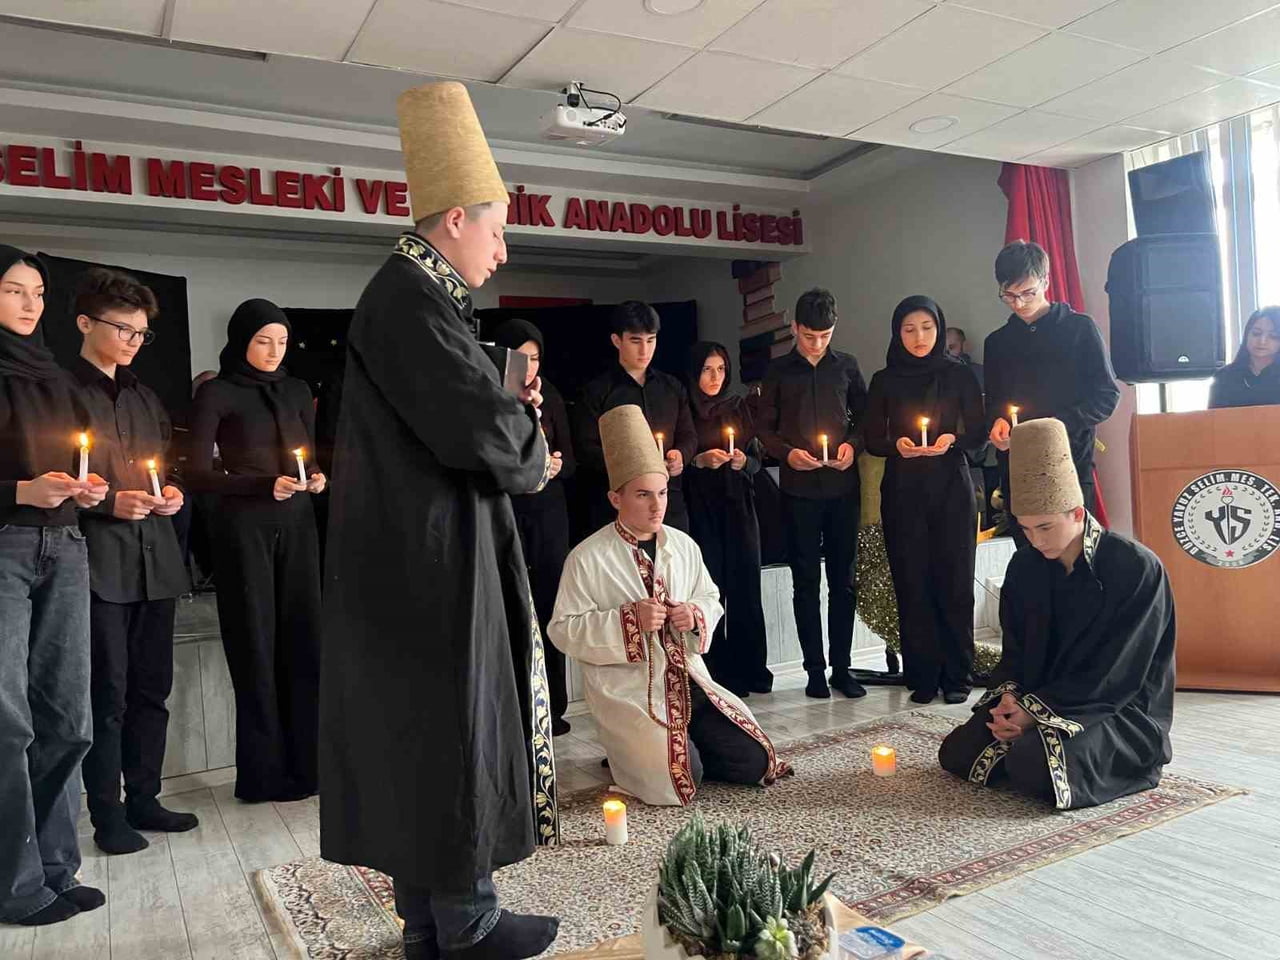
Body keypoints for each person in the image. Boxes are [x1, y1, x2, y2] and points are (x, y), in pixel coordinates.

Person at [319, 82, 559, 960]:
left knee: (424, 740)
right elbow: (480, 431)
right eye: (496, 228)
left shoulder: (409, 298)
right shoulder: (412, 301)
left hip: (413, 555)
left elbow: (458, 408)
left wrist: (502, 395)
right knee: (455, 732)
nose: (502, 248)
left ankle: (430, 921)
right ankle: (469, 922)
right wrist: (528, 439)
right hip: (430, 562)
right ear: (454, 220)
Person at [549, 404, 791, 806]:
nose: (656, 505)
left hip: (689, 681)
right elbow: (563, 630)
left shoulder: (683, 544)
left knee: (754, 762)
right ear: (616, 497)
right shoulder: (586, 557)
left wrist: (692, 614)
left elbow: (709, 597)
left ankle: (683, 740)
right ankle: (647, 749)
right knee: (683, 781)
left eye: (661, 493)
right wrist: (629, 620)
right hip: (631, 691)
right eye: (643, 494)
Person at [939, 418, 1175, 809]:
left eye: (1046, 527)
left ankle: (1126, 764)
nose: (1036, 540)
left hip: (1115, 709)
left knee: (1033, 762)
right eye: (1026, 529)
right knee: (958, 753)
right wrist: (1011, 703)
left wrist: (1034, 714)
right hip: (1043, 699)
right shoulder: (1026, 565)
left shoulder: (1135, 568)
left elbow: (1119, 673)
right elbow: (1014, 652)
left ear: (1078, 514)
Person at [70, 268, 198, 855]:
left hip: (157, 563)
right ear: (85, 323)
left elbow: (165, 466)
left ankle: (145, 797)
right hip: (97, 567)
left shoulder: (146, 398)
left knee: (153, 689)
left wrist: (170, 492)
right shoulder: (61, 392)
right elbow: (54, 483)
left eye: (140, 333)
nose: (130, 340)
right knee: (108, 695)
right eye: (122, 328)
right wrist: (108, 504)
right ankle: (106, 813)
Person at [0, 246, 109, 926]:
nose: (31, 303)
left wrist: (85, 488)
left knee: (69, 717)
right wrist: (21, 490)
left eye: (38, 292)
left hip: (65, 544)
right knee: (9, 724)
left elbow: (76, 456)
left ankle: (55, 868)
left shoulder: (56, 375)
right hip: (4, 545)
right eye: (14, 290)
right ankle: (16, 885)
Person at [187, 298, 325, 804]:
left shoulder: (296, 389)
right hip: (243, 533)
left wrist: (316, 478)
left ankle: (309, 766)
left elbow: (311, 454)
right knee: (255, 646)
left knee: (305, 642)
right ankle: (264, 774)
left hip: (299, 528)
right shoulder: (217, 394)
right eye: (262, 340)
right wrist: (265, 484)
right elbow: (198, 475)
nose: (272, 351)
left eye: (282, 341)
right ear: (241, 340)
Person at [864, 296, 984, 705]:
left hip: (951, 485)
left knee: (954, 581)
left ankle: (957, 674)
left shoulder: (959, 375)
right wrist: (896, 444)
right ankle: (922, 674)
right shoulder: (885, 379)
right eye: (909, 329)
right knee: (912, 582)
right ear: (898, 333)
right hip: (903, 490)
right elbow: (871, 438)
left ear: (940, 329)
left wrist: (954, 440)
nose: (919, 337)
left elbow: (979, 434)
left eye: (927, 328)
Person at [751, 288, 868, 700]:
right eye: (809, 336)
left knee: (844, 581)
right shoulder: (778, 371)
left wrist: (852, 445)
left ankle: (842, 667)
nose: (817, 343)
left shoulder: (847, 367)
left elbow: (865, 418)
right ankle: (813, 669)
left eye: (825, 335)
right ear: (796, 328)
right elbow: (764, 428)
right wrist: (787, 454)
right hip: (798, 489)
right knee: (805, 583)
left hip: (842, 488)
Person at [984, 241, 1119, 525]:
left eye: (1027, 293)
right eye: (1008, 295)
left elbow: (1106, 395)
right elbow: (994, 401)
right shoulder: (997, 342)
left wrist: (1056, 425)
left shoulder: (1079, 328)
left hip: (1069, 461)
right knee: (1028, 554)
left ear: (1045, 281)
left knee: (1076, 554)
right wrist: (996, 424)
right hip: (1018, 466)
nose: (1018, 303)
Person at [493, 318, 576, 737]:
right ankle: (515, 706)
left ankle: (554, 705)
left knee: (550, 606)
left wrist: (555, 466)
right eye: (520, 357)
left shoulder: (551, 397)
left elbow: (571, 459)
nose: (529, 366)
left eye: (536, 357)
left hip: (548, 511)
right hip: (509, 511)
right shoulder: (492, 401)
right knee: (511, 607)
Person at [682, 341, 772, 697]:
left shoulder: (739, 407)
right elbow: (679, 460)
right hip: (702, 506)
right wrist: (698, 462)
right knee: (711, 588)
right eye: (707, 369)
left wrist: (743, 464)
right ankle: (715, 670)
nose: (715, 377)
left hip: (739, 504)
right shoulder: (685, 408)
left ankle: (751, 670)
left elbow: (756, 459)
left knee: (746, 588)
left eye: (720, 369)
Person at [576, 301, 696, 534]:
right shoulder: (597, 391)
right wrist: (635, 466)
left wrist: (681, 455)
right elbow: (586, 448)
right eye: (635, 341)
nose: (644, 351)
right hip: (617, 507)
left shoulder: (672, 387)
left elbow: (688, 435)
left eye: (651, 340)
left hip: (669, 503)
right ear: (616, 340)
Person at [1209, 305, 1280, 408]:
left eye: (1273, 336)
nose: (1262, 341)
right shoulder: (1224, 377)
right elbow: (1214, 420)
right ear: (1246, 335)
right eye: (1256, 334)